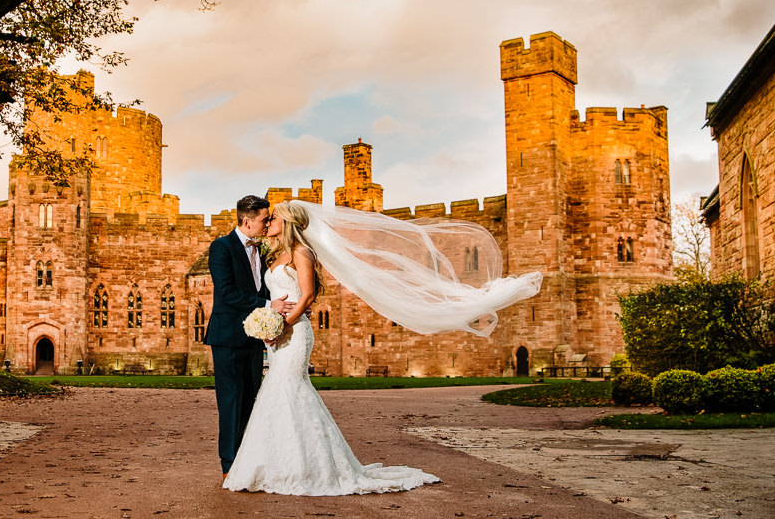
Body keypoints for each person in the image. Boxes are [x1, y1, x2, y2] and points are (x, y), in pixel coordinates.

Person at [224, 200, 543, 495]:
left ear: (290, 221)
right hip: (281, 334)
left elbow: (307, 296)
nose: (268, 222)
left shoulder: (302, 253)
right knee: (278, 392)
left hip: (293, 334)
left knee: (291, 388)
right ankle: (275, 463)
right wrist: (270, 318)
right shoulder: (274, 253)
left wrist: (282, 325)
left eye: (274, 217)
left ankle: (306, 468)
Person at [205, 195, 293, 480]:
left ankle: (247, 459)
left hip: (255, 337)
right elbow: (227, 292)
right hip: (228, 337)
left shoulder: (264, 247)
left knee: (250, 400)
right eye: (264, 220)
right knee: (230, 401)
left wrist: (271, 322)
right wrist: (270, 307)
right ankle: (229, 466)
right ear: (247, 221)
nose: (267, 224)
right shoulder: (221, 247)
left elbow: (263, 289)